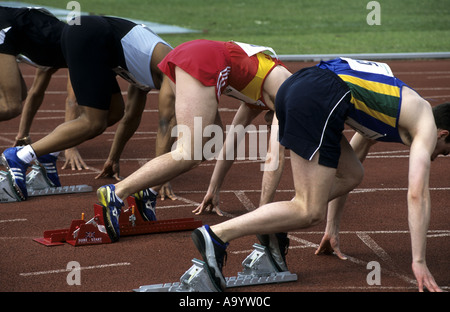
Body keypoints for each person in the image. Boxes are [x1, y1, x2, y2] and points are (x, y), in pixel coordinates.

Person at [190, 57, 449, 292]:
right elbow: (417, 194)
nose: (439, 157)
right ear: (443, 134)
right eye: (446, 152)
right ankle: (216, 236)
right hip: (320, 94)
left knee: (352, 174)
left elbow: (347, 169)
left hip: (301, 84)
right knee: (308, 211)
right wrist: (419, 261)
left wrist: (332, 228)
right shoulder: (424, 122)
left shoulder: (392, 106)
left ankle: (277, 222)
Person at [95, 39, 292, 243]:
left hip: (194, 55)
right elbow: (273, 159)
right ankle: (116, 194)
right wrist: (262, 215)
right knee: (188, 151)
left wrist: (214, 188)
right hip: (203, 61)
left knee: (210, 144)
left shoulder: (268, 94)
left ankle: (148, 192)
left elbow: (231, 142)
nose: (272, 129)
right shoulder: (287, 96)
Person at [0, 8, 173, 201]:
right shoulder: (171, 72)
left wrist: (113, 158)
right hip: (90, 34)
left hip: (100, 45)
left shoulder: (149, 74)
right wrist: (161, 177)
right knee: (93, 121)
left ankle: (47, 155)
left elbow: (131, 116)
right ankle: (20, 156)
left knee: (115, 112)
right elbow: (165, 124)